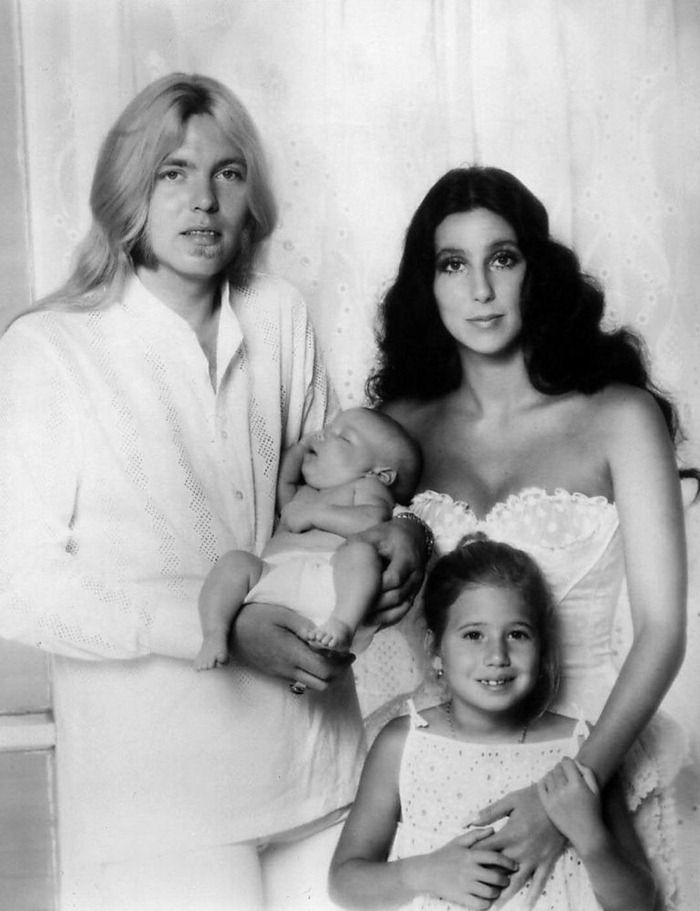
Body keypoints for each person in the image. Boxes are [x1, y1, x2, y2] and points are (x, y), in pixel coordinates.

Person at [0, 73, 427, 911]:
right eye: (173, 172)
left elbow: (333, 486)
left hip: (317, 768)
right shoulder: (48, 350)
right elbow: (16, 586)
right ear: (128, 188)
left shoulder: (279, 315)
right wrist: (218, 626)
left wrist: (403, 534)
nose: (203, 199)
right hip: (157, 801)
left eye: (228, 173)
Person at [363, 166, 692, 909]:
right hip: (446, 774)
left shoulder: (618, 416)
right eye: (453, 264)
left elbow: (664, 631)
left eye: (502, 258)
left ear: (536, 269)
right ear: (426, 284)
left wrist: (565, 797)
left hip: (595, 760)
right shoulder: (399, 430)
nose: (481, 289)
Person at [330, 535, 659, 910]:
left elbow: (640, 902)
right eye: (474, 635)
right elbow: (344, 883)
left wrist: (591, 839)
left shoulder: (581, 746)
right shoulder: (404, 743)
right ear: (435, 649)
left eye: (517, 634)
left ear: (541, 649)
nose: (497, 655)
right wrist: (424, 872)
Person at [195, 406, 422, 667]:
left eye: (343, 437)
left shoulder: (366, 486)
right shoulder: (306, 493)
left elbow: (372, 520)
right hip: (272, 576)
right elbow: (285, 482)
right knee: (235, 562)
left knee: (360, 554)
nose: (322, 434)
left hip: (334, 584)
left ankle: (343, 626)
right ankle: (214, 633)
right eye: (327, 428)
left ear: (379, 474)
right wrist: (303, 446)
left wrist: (317, 515)